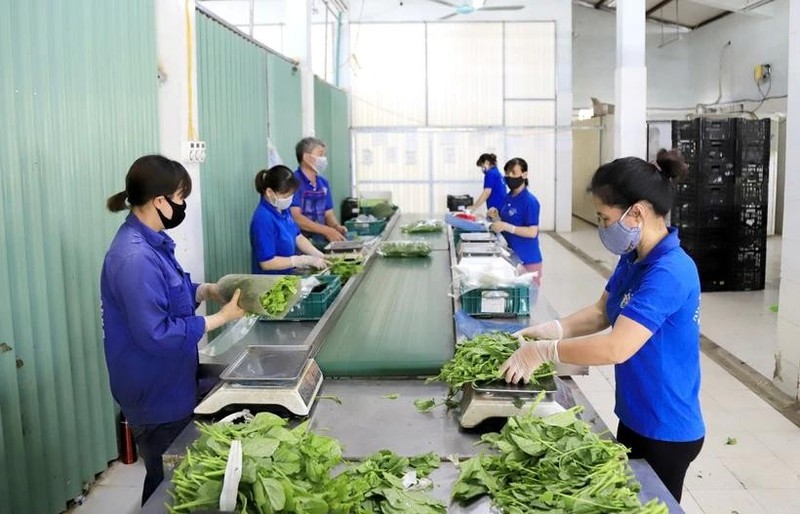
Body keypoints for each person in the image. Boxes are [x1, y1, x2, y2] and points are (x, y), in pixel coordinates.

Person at [500, 150, 704, 503]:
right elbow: (601, 311)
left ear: (636, 212)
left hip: (665, 427)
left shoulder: (671, 271)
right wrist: (554, 329)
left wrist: (545, 352)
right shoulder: (634, 258)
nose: (602, 227)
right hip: (635, 414)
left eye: (604, 218)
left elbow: (617, 346)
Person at [101, 155, 245, 505]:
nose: (183, 206)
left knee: (169, 473)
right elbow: (156, 334)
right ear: (160, 201)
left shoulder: (153, 241)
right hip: (154, 390)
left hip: (170, 379)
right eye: (181, 197)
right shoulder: (134, 258)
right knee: (168, 477)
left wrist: (206, 291)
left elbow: (170, 296)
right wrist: (221, 318)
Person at [251, 165, 328, 274]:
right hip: (270, 284)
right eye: (285, 196)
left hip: (287, 277)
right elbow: (266, 263)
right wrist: (299, 260)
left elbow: (297, 237)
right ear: (269, 192)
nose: (289, 200)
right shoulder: (263, 218)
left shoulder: (283, 209)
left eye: (291, 195)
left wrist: (316, 254)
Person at [487, 157, 543, 286]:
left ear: (524, 175)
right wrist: (495, 217)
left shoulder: (530, 201)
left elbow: (532, 232)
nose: (509, 176)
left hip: (527, 260)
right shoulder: (509, 196)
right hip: (511, 257)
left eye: (513, 173)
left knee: (528, 300)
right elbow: (505, 221)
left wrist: (507, 227)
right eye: (507, 173)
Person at [290, 137, 347, 245]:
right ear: (306, 157)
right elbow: (296, 217)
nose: (324, 159)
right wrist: (326, 230)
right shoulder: (293, 182)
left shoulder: (323, 184)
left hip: (320, 242)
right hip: (299, 243)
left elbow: (328, 214)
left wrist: (336, 227)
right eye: (320, 154)